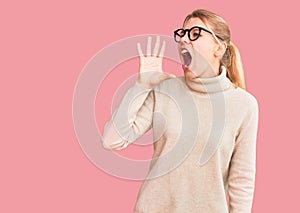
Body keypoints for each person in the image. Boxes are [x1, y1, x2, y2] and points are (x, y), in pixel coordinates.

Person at [102, 9, 259, 213]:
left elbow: (242, 179)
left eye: (195, 33)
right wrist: (140, 86)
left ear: (219, 48)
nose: (185, 39)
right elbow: (111, 140)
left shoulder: (244, 105)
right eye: (182, 34)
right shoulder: (165, 90)